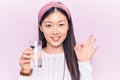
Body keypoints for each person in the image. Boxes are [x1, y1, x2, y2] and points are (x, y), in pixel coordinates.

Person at [19, 1, 99, 80]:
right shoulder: (35, 57)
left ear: (68, 26)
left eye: (61, 25)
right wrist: (25, 72)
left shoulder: (78, 57)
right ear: (41, 27)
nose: (55, 32)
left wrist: (84, 63)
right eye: (49, 25)